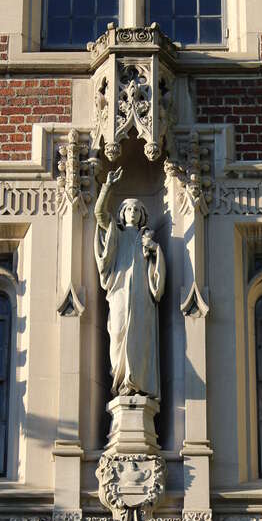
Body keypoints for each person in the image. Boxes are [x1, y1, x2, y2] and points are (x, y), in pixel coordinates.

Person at [94, 167, 166, 400]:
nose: (132, 212)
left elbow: (157, 273)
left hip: (142, 297)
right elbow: (99, 214)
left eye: (136, 209)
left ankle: (138, 384)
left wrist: (154, 250)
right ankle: (121, 383)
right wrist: (107, 187)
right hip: (119, 294)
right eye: (128, 209)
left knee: (141, 340)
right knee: (117, 333)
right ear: (122, 213)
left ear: (142, 214)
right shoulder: (116, 233)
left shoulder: (147, 239)